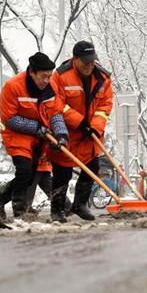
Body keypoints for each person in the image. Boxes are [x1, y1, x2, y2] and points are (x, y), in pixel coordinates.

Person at [0, 52, 68, 218]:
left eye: (49, 76)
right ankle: (20, 210)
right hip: (17, 133)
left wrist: (61, 134)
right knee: (25, 170)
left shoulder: (51, 88)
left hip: (39, 137)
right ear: (32, 72)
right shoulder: (13, 86)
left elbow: (56, 114)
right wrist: (36, 128)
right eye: (43, 76)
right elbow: (9, 118)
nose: (47, 81)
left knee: (31, 174)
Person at [49, 41, 113, 222]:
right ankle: (57, 209)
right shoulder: (61, 76)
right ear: (75, 59)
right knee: (62, 172)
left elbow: (105, 105)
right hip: (67, 131)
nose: (90, 65)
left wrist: (95, 125)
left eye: (92, 61)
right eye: (86, 61)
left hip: (90, 133)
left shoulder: (103, 78)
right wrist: (79, 121)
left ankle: (80, 204)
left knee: (92, 167)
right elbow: (57, 104)